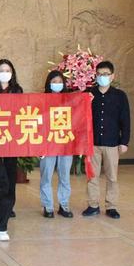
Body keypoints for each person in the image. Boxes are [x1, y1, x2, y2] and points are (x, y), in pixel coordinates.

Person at [83, 61, 130, 220]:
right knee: (92, 176)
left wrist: (124, 141)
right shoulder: (89, 94)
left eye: (106, 74)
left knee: (112, 177)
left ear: (112, 76)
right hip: (92, 143)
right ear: (95, 76)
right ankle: (93, 205)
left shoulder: (120, 96)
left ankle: (111, 206)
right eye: (99, 74)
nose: (102, 77)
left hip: (112, 143)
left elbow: (125, 120)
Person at [0, 58, 23, 218]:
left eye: (7, 71)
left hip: (11, 137)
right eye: (1, 70)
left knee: (10, 173)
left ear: (12, 73)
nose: (4, 73)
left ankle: (8, 206)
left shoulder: (17, 90)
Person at [39, 70, 74, 219]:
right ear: (49, 83)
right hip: (47, 143)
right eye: (54, 82)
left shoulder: (70, 100)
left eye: (60, 82)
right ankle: (48, 206)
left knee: (64, 176)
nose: (57, 84)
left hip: (65, 143)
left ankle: (64, 205)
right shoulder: (41, 100)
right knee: (46, 176)